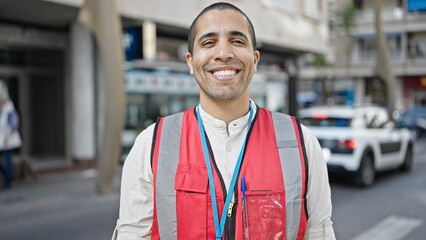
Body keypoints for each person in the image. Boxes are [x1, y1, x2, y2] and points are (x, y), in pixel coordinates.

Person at [113, 2, 335, 239]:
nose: (223, 53)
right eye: (208, 43)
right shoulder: (151, 144)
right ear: (190, 61)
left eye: (237, 41)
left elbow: (320, 232)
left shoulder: (302, 143)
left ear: (255, 59)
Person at [0, 81, 22, 189]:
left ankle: (8, 181)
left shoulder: (9, 111)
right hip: (3, 141)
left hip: (8, 142)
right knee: (6, 161)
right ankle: (8, 177)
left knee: (7, 161)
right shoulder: (3, 112)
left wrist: (7, 138)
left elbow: (14, 126)